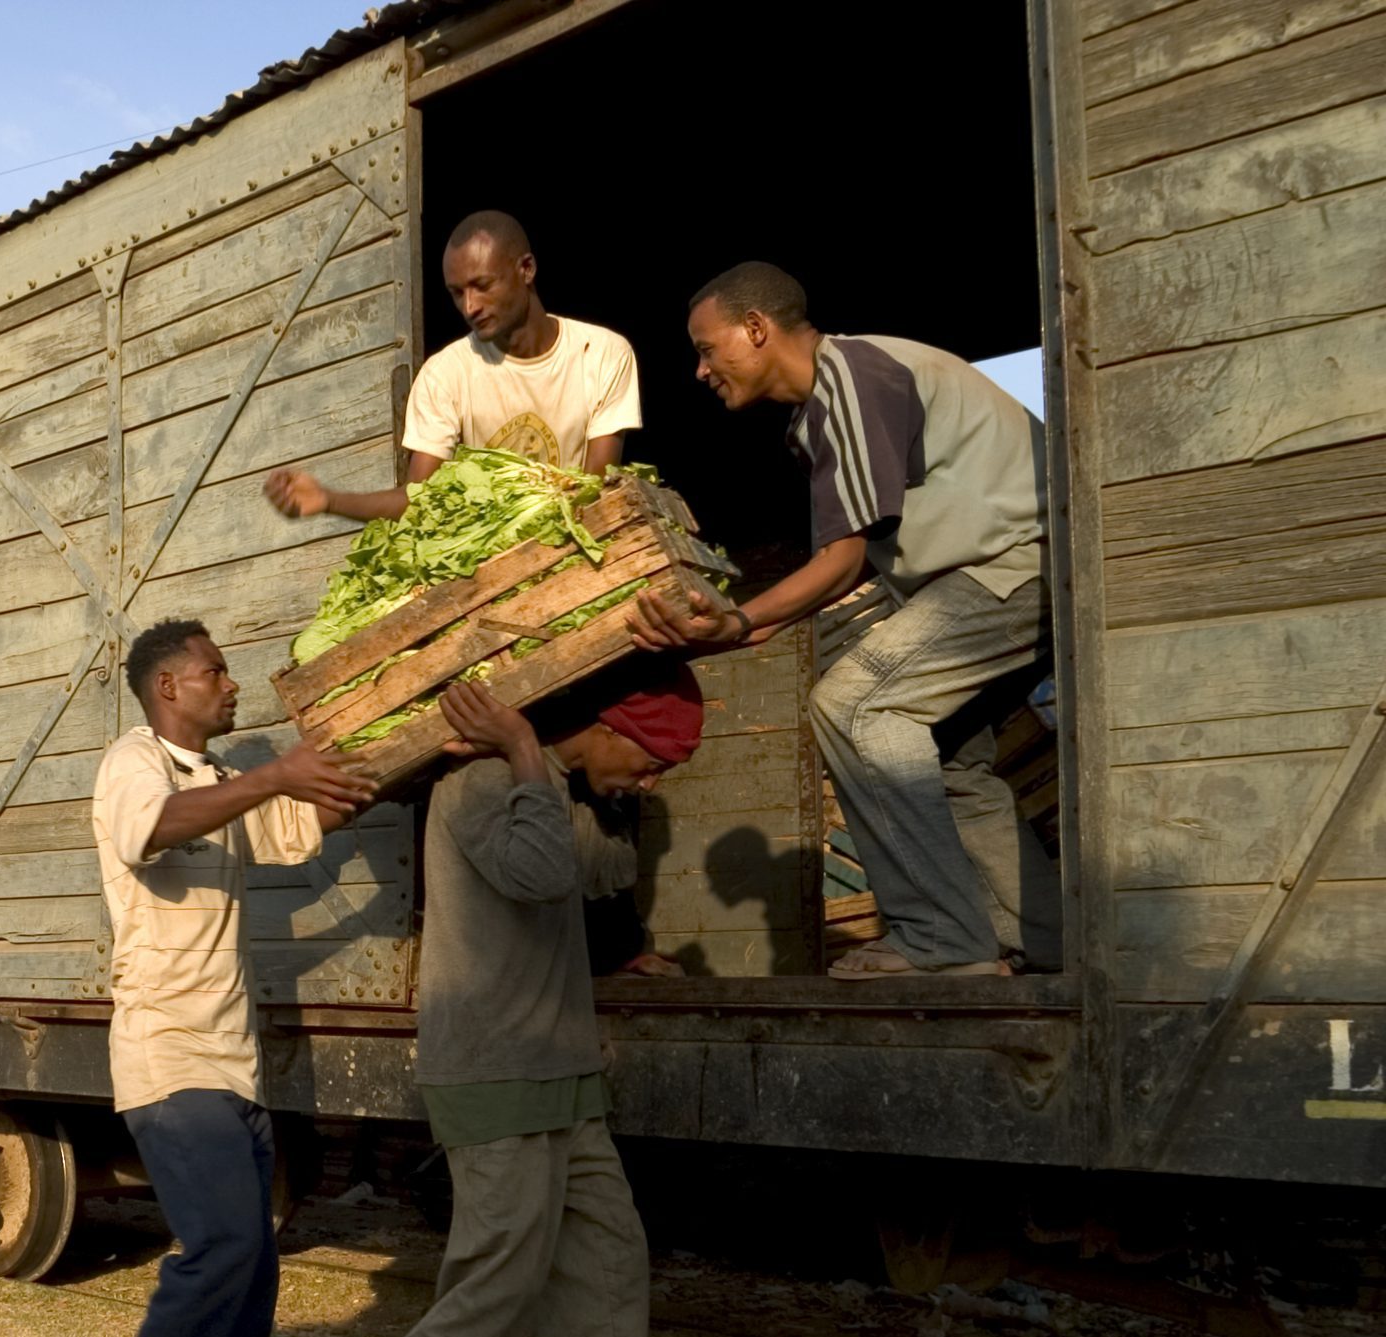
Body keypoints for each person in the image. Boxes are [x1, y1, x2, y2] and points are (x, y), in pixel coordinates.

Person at [630, 261, 1060, 979]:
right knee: (946, 761)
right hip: (992, 576)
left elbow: (838, 558)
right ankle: (1043, 941)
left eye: (707, 347)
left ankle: (938, 938)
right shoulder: (825, 408)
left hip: (1015, 568)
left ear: (758, 328)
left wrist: (737, 623)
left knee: (854, 704)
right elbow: (857, 557)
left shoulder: (851, 382)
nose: (700, 370)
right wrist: (748, 624)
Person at [93, 619, 376, 1337]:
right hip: (171, 1054)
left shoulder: (219, 781)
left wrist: (392, 749)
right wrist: (275, 773)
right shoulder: (133, 759)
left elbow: (307, 819)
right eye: (215, 672)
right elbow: (150, 827)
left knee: (255, 1261)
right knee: (225, 1246)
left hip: (233, 1062)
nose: (232, 683)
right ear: (168, 686)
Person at [407, 669, 702, 1337]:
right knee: (499, 1284)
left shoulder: (554, 788)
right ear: (608, 730)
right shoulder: (482, 779)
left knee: (607, 1265)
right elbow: (539, 875)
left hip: (562, 1070)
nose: (653, 779)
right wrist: (520, 745)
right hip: (497, 1068)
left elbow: (607, 871)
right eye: (650, 762)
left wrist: (609, 790)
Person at [265, 210, 641, 521]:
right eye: (456, 293)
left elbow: (595, 489)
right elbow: (420, 500)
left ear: (526, 269)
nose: (469, 307)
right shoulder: (444, 376)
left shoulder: (603, 354)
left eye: (481, 285)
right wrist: (330, 500)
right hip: (485, 566)